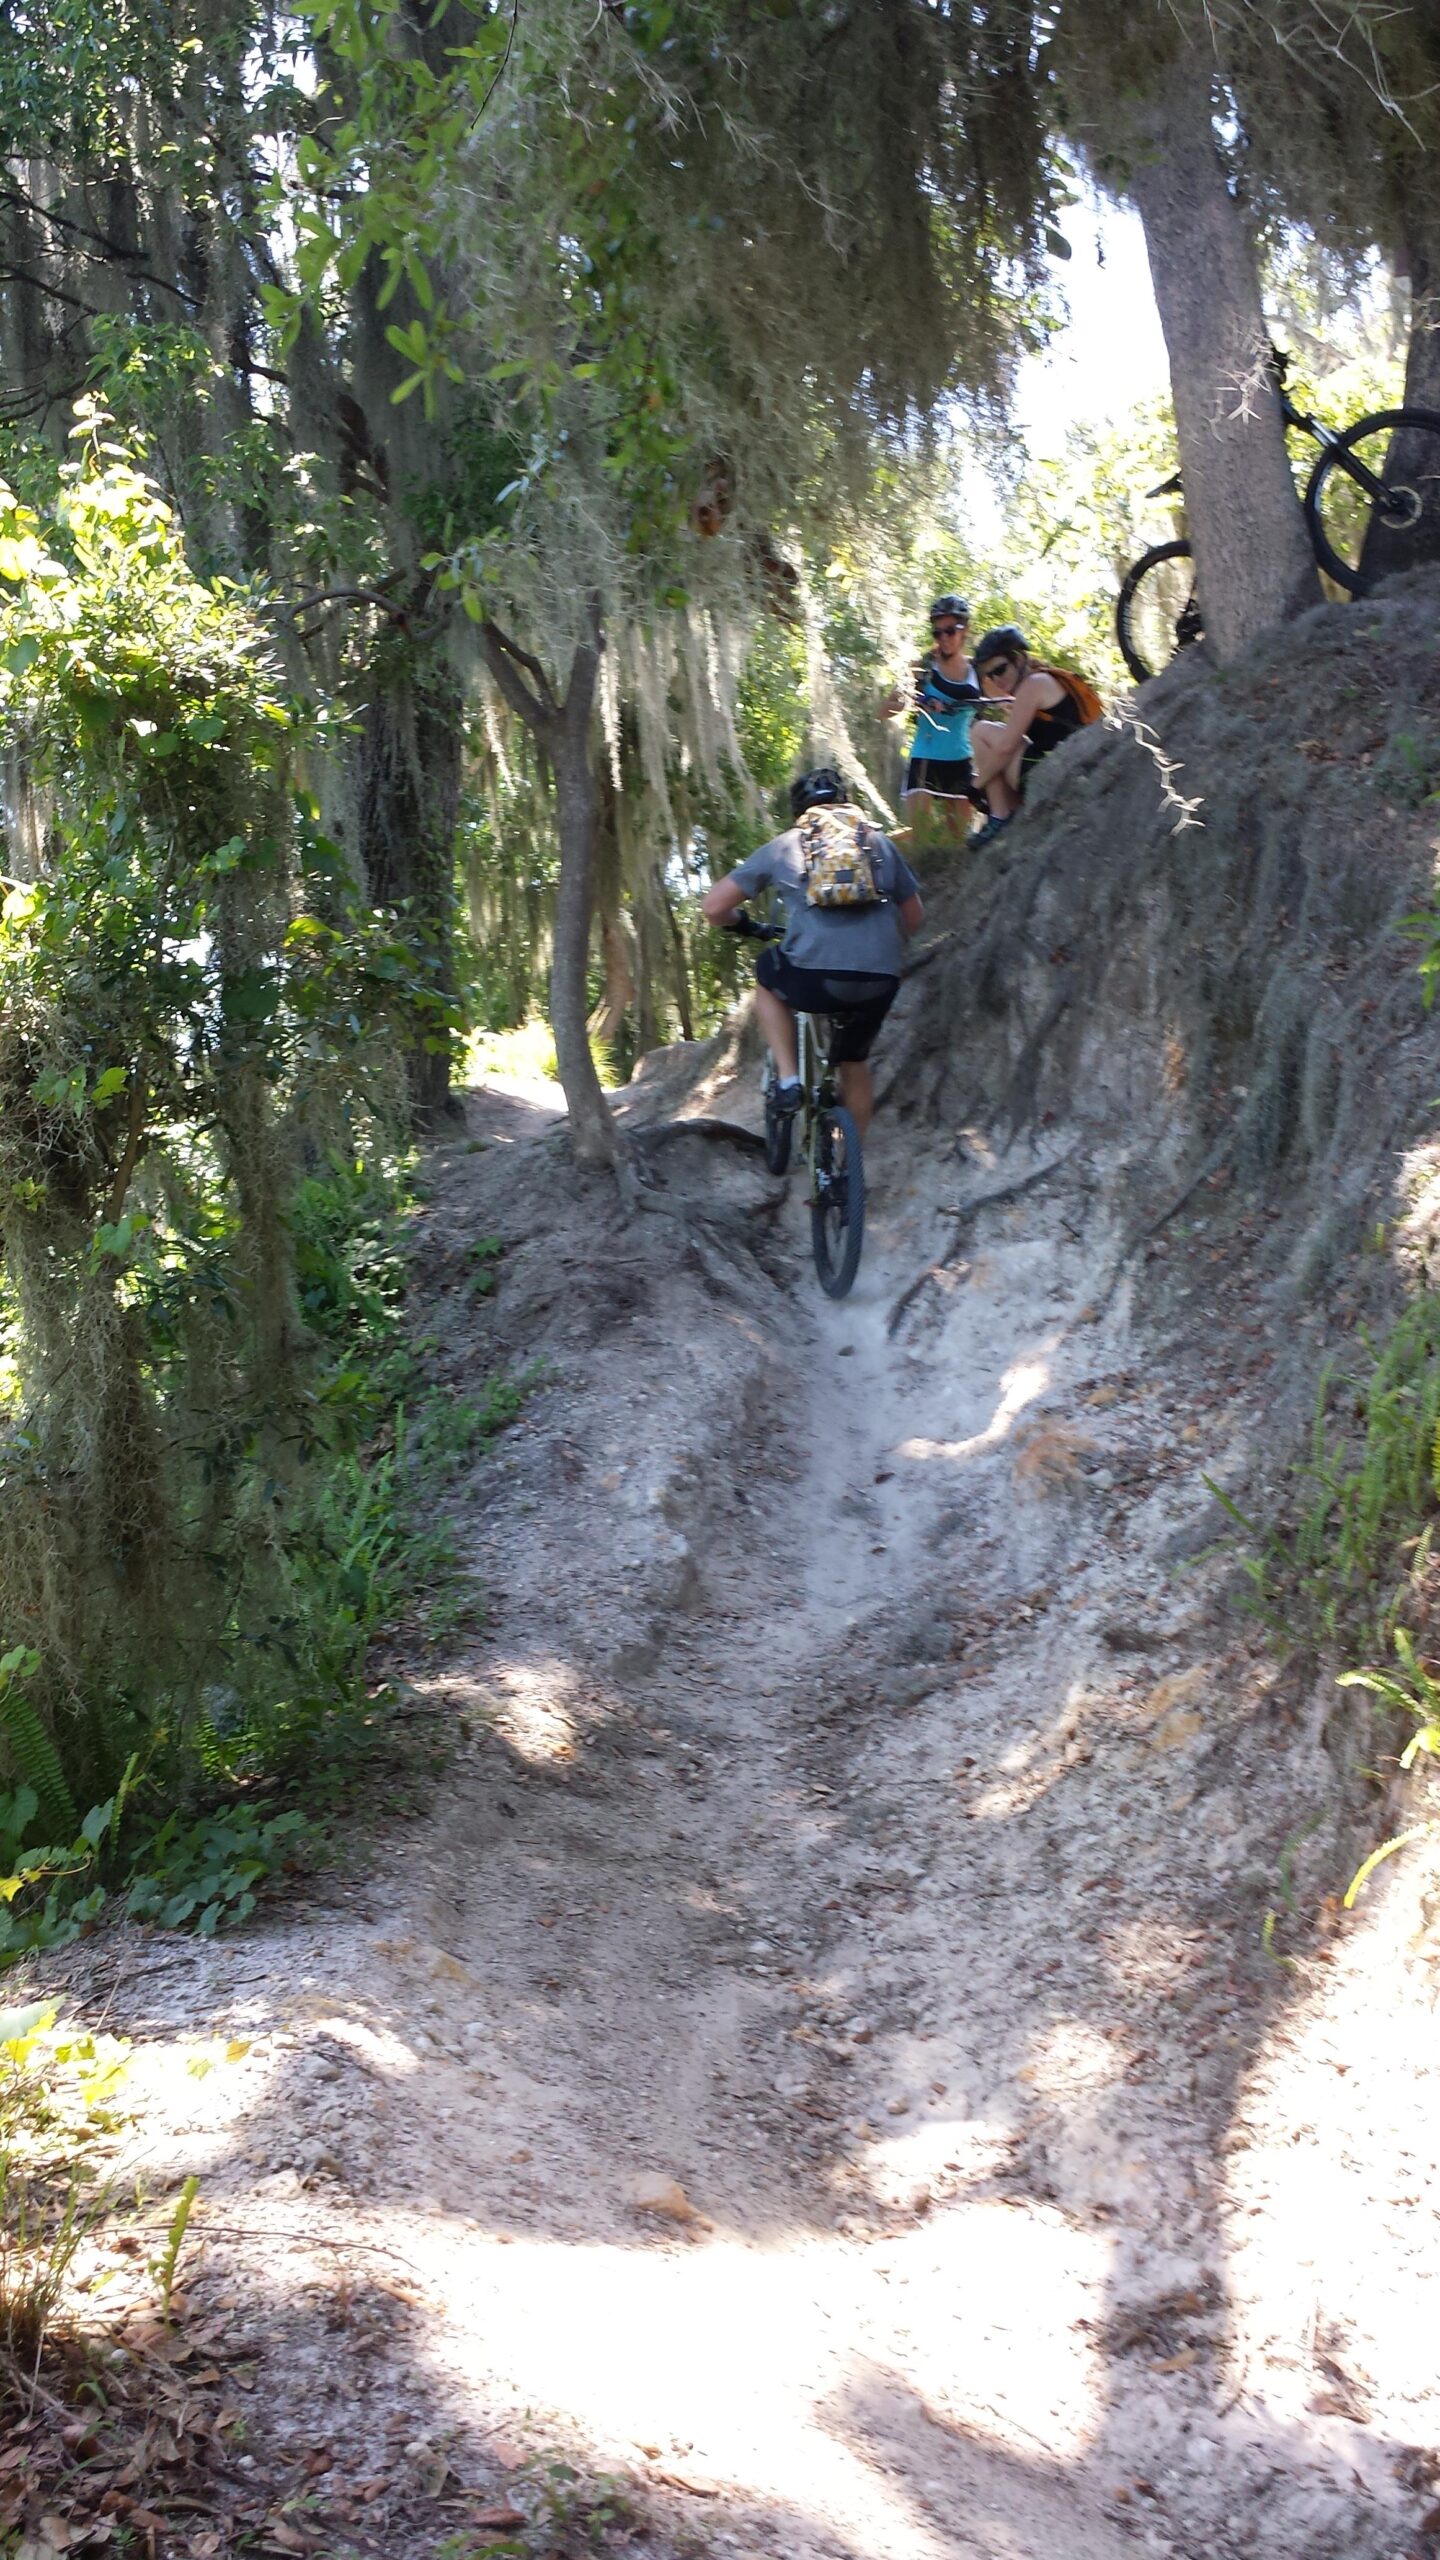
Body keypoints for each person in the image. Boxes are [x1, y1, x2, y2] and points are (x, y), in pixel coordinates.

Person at [701, 766, 923, 1139]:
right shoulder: (879, 843)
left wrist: (744, 925)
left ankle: (789, 1081)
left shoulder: (786, 845)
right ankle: (849, 1167)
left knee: (767, 974)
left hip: (813, 977)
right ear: (847, 802)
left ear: (798, 810)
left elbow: (713, 908)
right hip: (880, 978)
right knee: (854, 1061)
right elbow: (915, 916)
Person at [967, 625, 1103, 846]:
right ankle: (1007, 813)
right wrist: (1003, 700)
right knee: (989, 732)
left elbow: (1006, 747)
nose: (996, 679)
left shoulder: (1033, 685)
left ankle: (1000, 815)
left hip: (1055, 776)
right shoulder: (1041, 680)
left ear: (1019, 659)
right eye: (990, 675)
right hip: (1068, 770)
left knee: (981, 731)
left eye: (1000, 670)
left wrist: (975, 786)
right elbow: (1034, 720)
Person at [879, 594, 982, 837]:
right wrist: (913, 699)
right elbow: (883, 711)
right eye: (937, 633)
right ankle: (878, 848)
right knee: (921, 836)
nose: (944, 638)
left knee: (957, 842)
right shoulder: (922, 666)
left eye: (950, 630)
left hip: (961, 761)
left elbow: (1007, 699)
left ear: (965, 629)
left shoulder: (978, 670)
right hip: (925, 759)